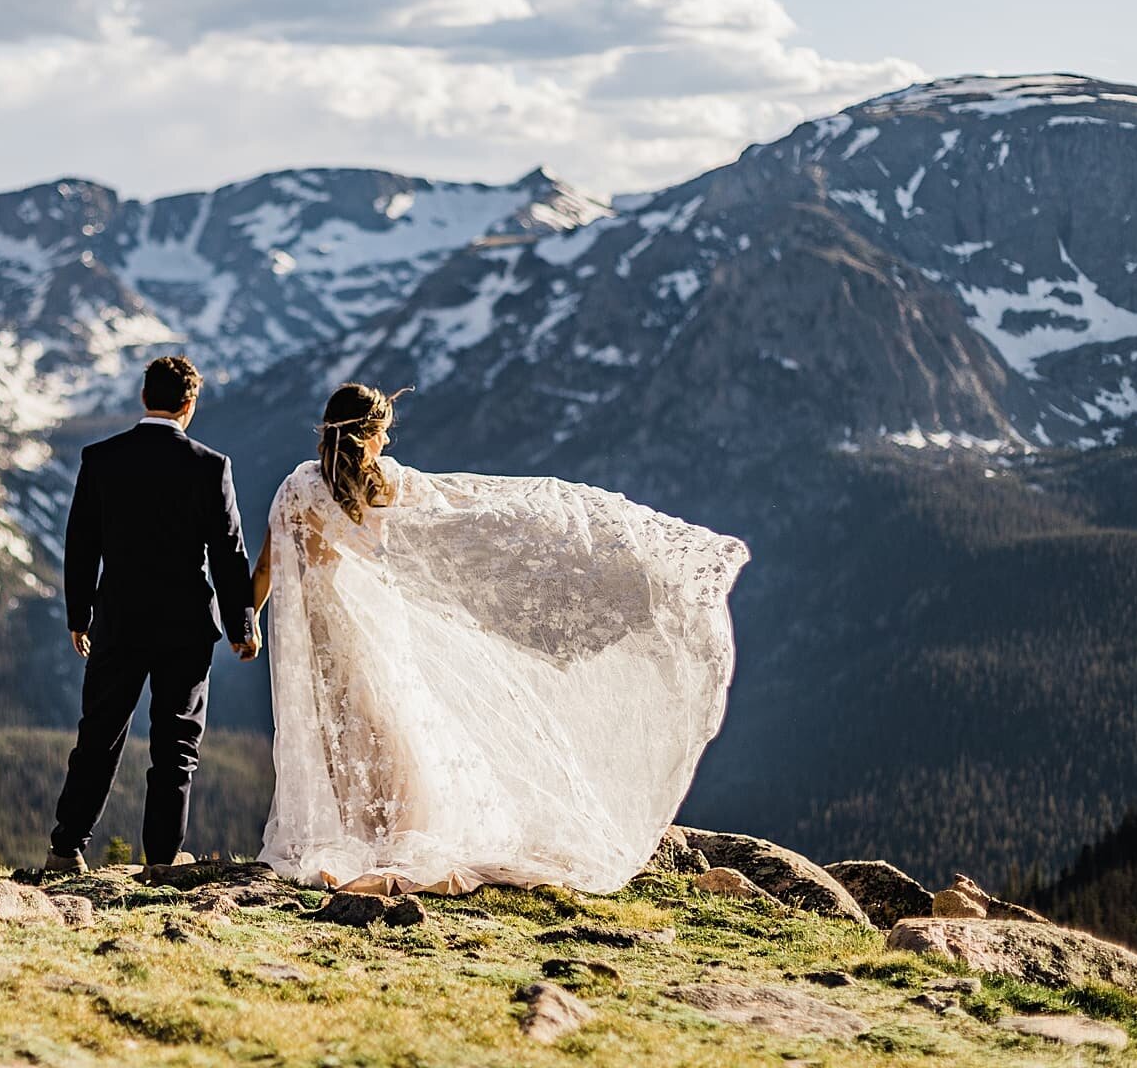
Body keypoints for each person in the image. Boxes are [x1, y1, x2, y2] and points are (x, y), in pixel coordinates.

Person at [250, 383, 748, 895]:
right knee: (393, 726)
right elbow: (460, 514)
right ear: (374, 434)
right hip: (373, 626)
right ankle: (400, 835)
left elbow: (268, 564)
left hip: (320, 636)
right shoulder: (387, 484)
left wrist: (250, 623)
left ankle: (351, 835)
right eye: (384, 434)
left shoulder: (297, 488)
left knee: (341, 731)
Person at [45, 355, 258, 874]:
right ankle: (160, 860)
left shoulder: (101, 459)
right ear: (190, 405)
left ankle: (66, 848)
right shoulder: (211, 466)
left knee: (98, 737)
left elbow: (80, 545)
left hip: (116, 622)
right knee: (176, 745)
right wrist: (242, 625)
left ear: (145, 399)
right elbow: (229, 553)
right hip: (185, 628)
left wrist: (80, 616)